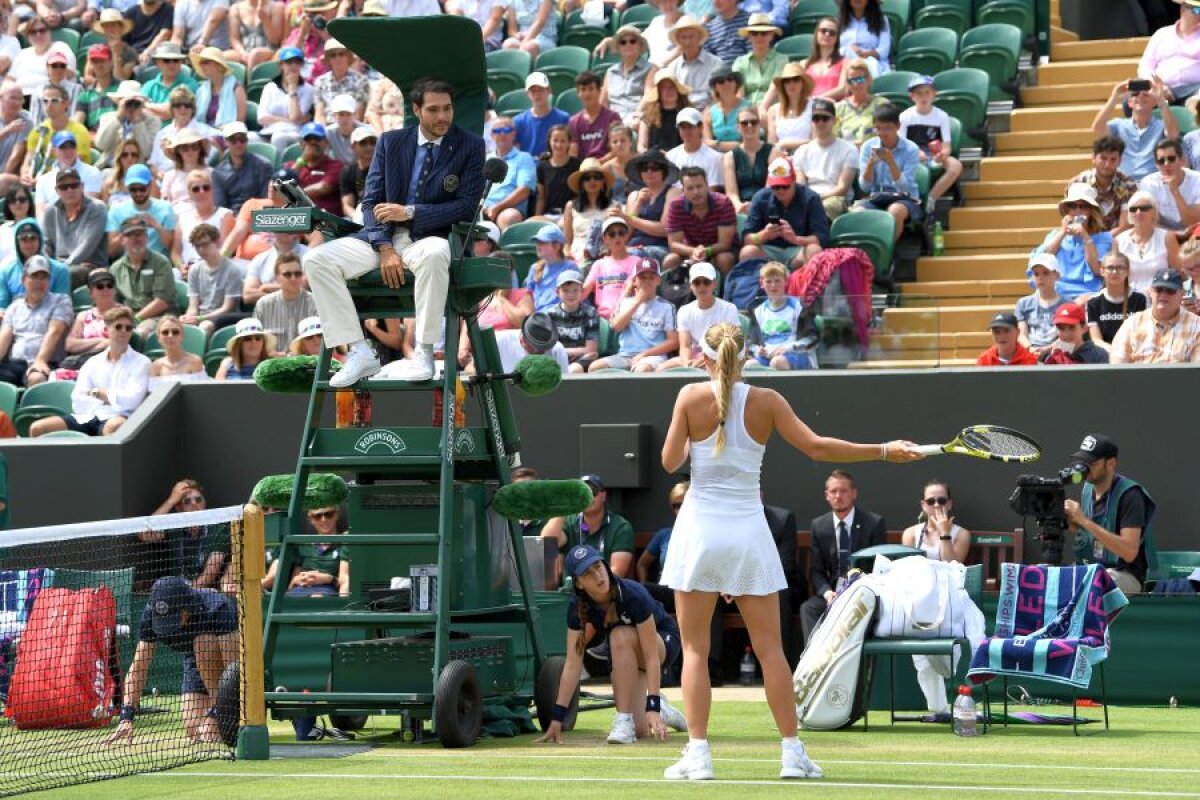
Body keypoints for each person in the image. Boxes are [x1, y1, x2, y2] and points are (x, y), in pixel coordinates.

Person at [659, 324, 919, 781]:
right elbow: (817, 447)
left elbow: (669, 462)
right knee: (771, 651)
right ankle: (792, 753)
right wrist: (884, 450)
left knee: (696, 649)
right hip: (746, 534)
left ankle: (698, 755)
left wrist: (695, 433)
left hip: (699, 534)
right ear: (745, 358)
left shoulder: (688, 396)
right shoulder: (768, 401)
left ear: (705, 358)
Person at [303, 77, 485, 386]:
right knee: (315, 260)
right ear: (416, 110)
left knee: (436, 253)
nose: (442, 116)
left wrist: (411, 212)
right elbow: (371, 202)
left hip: (429, 238)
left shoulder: (471, 145)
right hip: (381, 240)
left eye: (447, 108)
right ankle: (359, 351)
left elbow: (467, 207)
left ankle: (424, 351)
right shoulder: (390, 141)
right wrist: (385, 247)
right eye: (434, 110)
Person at [534, 544, 687, 746]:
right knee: (640, 730)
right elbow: (572, 664)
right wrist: (557, 719)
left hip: (662, 644)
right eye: (587, 574)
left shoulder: (632, 594)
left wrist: (653, 706)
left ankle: (626, 718)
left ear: (605, 566)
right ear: (579, 584)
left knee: (619, 634)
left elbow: (651, 657)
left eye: (598, 566)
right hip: (627, 654)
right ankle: (663, 712)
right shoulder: (577, 607)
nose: (598, 576)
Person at [106, 576, 238, 744]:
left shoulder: (218, 608)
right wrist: (126, 717)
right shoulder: (151, 615)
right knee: (194, 729)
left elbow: (234, 672)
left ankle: (224, 711)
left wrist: (217, 713)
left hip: (229, 661)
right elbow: (139, 667)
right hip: (194, 660)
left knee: (203, 642)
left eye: (173, 616)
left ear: (186, 607)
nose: (167, 625)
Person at [898, 478, 972, 718]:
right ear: (923, 505)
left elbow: (953, 567)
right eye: (931, 501)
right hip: (920, 602)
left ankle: (939, 657)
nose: (937, 505)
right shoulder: (910, 534)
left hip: (949, 600)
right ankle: (939, 709)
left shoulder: (962, 534)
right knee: (922, 653)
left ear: (949, 503)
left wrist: (944, 535)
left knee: (945, 664)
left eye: (941, 500)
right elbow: (908, 570)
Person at [29, 305, 150, 436]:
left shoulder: (142, 362)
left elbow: (132, 401)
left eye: (128, 328)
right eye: (118, 327)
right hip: (87, 416)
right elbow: (77, 399)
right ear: (106, 330)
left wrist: (96, 393)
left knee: (115, 426)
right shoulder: (93, 362)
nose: (124, 331)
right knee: (38, 428)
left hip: (118, 417)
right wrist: (109, 398)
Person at [800, 468, 888, 643]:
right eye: (833, 491)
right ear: (827, 495)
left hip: (863, 591)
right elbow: (816, 571)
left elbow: (880, 566)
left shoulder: (873, 523)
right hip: (833, 592)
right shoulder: (819, 525)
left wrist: (858, 590)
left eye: (843, 491)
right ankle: (814, 656)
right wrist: (827, 593)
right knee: (808, 608)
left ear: (854, 493)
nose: (838, 496)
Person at [1063, 434, 1156, 596]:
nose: (1085, 467)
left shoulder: (1131, 495)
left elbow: (1129, 552)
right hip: (1092, 568)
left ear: (1111, 463)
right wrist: (1071, 521)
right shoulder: (1088, 490)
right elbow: (1088, 532)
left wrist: (1083, 521)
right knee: (1061, 581)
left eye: (1091, 462)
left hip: (1125, 574)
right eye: (1082, 461)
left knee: (1092, 584)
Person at [589, 257, 679, 372]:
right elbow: (616, 326)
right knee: (595, 367)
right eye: (642, 277)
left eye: (651, 277)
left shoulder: (667, 307)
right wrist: (638, 301)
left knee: (642, 369)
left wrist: (645, 354)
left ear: (658, 280)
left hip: (653, 356)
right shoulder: (626, 302)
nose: (647, 281)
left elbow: (673, 342)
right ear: (634, 280)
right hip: (625, 355)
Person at [541, 474, 636, 581]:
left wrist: (588, 585)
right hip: (571, 588)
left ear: (604, 496)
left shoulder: (620, 527)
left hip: (604, 587)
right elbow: (546, 542)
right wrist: (563, 508)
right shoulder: (570, 522)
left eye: (593, 491)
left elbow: (617, 572)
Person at [739, 157, 829, 269]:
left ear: (794, 180)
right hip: (768, 252)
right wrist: (764, 235)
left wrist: (796, 239)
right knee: (747, 252)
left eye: (785, 186)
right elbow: (747, 239)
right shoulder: (760, 198)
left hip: (798, 250)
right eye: (776, 187)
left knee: (814, 250)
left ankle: (806, 280)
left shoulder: (810, 198)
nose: (781, 190)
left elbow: (822, 238)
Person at [853, 102, 921, 243]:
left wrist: (891, 162)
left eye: (887, 128)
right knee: (858, 213)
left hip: (905, 199)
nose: (882, 133)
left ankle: (886, 252)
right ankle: (868, 252)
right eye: (878, 128)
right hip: (877, 197)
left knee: (895, 211)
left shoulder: (911, 149)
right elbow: (864, 187)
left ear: (898, 126)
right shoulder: (868, 146)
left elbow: (905, 187)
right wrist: (870, 164)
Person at [0, 255, 72, 386]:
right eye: (34, 276)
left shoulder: (61, 301)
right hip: (15, 364)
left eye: (44, 277)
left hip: (47, 362)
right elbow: (4, 338)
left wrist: (40, 360)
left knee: (36, 378)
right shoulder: (14, 307)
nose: (39, 282)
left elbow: (55, 332)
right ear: (23, 280)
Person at [1032, 182, 1111, 299]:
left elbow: (1097, 269)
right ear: (1067, 210)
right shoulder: (1055, 235)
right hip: (1056, 292)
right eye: (1073, 206)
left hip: (1086, 294)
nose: (1078, 210)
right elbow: (1043, 261)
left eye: (1083, 206)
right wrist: (1063, 232)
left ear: (1091, 210)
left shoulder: (1103, 238)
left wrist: (1085, 236)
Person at [656, 260, 739, 369]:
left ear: (714, 284)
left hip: (722, 358)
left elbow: (733, 344)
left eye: (706, 282)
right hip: (695, 358)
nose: (701, 286)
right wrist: (688, 364)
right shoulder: (684, 311)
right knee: (661, 369)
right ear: (691, 286)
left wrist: (711, 359)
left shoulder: (729, 309)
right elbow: (685, 346)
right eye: (697, 282)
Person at [899, 75, 963, 217]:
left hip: (934, 154)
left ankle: (932, 198)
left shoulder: (942, 116)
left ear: (934, 94)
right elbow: (901, 144)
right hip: (912, 155)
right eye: (919, 93)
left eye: (927, 92)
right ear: (912, 96)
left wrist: (942, 154)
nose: (923, 97)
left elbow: (946, 145)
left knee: (955, 165)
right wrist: (915, 152)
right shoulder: (905, 117)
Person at [1091, 78, 1177, 181]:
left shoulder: (1162, 124)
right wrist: (1114, 97)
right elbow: (1097, 129)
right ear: (1129, 102)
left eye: (1146, 94)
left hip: (1152, 182)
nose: (1140, 96)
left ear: (1154, 102)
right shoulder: (1119, 125)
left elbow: (1173, 135)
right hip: (1123, 182)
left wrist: (1161, 100)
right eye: (1135, 94)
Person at [1110, 266, 1200, 362]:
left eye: (1170, 291)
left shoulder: (1196, 325)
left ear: (1182, 294)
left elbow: (1197, 367)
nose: (1163, 295)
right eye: (1159, 289)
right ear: (1150, 292)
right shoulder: (1133, 324)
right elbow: (1117, 364)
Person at [40, 166, 110, 284]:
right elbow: (46, 244)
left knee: (68, 274)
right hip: (59, 265)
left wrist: (61, 268)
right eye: (64, 187)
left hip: (89, 265)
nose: (69, 190)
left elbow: (87, 245)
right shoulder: (50, 211)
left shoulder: (97, 208)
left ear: (82, 186)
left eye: (74, 186)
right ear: (57, 190)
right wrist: (45, 264)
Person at [791, 98, 857, 221]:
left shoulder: (849, 149)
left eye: (825, 118)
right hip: (809, 198)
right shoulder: (801, 151)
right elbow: (801, 185)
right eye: (816, 118)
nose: (820, 122)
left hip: (836, 199)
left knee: (824, 207)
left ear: (834, 121)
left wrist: (816, 198)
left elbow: (842, 188)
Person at [262, 506, 350, 596]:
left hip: (327, 590)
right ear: (311, 519)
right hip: (302, 589)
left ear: (336, 515)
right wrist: (296, 580)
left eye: (328, 514)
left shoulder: (344, 543)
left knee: (317, 597)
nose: (323, 519)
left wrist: (328, 579)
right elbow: (292, 584)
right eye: (317, 516)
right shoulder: (304, 545)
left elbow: (345, 582)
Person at [663, 166, 737, 274]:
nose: (696, 192)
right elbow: (673, 243)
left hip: (720, 250)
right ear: (683, 190)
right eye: (690, 188)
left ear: (707, 186)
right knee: (670, 260)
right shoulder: (676, 205)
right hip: (690, 249)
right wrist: (692, 251)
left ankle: (727, 286)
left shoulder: (723, 203)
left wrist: (705, 251)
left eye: (699, 186)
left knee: (724, 259)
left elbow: (724, 244)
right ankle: (672, 286)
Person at [748, 260, 819, 370]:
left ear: (786, 281)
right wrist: (758, 350)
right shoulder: (757, 311)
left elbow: (813, 339)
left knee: (777, 362)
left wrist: (788, 348)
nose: (773, 285)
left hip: (797, 354)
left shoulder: (799, 307)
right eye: (768, 281)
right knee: (749, 366)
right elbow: (750, 343)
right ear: (762, 283)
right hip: (768, 356)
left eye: (777, 281)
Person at [620, 148, 680, 266]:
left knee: (629, 256)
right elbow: (625, 234)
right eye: (644, 168)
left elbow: (664, 229)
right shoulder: (634, 196)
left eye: (654, 168)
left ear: (663, 171)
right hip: (633, 246)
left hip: (659, 247)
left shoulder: (673, 192)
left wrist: (631, 219)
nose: (649, 172)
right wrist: (637, 204)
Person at [105, 163, 176, 260]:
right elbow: (112, 251)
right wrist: (129, 230)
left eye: (142, 189)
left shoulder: (166, 208)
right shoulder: (116, 210)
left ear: (150, 185)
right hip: (128, 262)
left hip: (158, 263)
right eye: (133, 189)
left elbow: (170, 246)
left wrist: (155, 225)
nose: (138, 193)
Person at [1136, 0, 1200, 106]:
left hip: (1195, 89)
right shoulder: (1162, 34)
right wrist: (1156, 85)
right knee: (1132, 98)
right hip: (1160, 89)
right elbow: (1145, 65)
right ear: (1183, 10)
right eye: (1198, 10)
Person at [1069, 136, 1138, 233]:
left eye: (1113, 159)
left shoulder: (1128, 186)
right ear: (1093, 158)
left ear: (1120, 161)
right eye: (1103, 158)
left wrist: (1103, 239)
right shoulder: (1079, 183)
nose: (1107, 164)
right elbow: (1074, 220)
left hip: (1117, 238)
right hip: (1084, 235)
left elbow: (1125, 226)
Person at [182, 223, 242, 333]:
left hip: (223, 319)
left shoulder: (232, 270)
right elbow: (193, 305)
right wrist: (189, 317)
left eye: (205, 244)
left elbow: (227, 307)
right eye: (197, 246)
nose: (201, 250)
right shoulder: (194, 270)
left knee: (205, 326)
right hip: (201, 316)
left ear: (217, 242)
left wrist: (200, 318)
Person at [1115, 189, 1179, 291]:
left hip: (1161, 294)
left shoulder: (1167, 237)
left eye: (1144, 208)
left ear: (1154, 212)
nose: (1138, 212)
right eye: (1133, 209)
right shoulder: (1119, 240)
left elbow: (1179, 273)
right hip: (1129, 296)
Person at [255, 46, 314, 155]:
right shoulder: (270, 87)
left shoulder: (308, 89)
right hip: (268, 131)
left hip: (294, 132)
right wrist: (288, 119)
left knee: (279, 138)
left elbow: (295, 117)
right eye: (289, 62)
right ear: (281, 65)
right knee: (248, 137)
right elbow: (261, 118)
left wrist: (292, 89)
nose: (293, 66)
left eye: (297, 62)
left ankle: (279, 166)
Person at [0, 220, 71, 311]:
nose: (29, 243)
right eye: (24, 239)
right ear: (17, 242)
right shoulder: (5, 272)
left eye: (33, 238)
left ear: (40, 240)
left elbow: (62, 306)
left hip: (50, 317)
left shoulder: (60, 270)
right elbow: (2, 305)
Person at [173, 168, 235, 267]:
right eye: (196, 189)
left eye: (206, 187)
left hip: (215, 269)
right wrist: (180, 266)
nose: (201, 192)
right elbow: (175, 253)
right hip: (186, 270)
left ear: (212, 190)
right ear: (189, 193)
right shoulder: (182, 218)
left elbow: (225, 250)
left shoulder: (225, 216)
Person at [723, 107, 779, 214]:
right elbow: (731, 193)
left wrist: (756, 206)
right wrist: (739, 206)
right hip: (741, 208)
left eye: (754, 122)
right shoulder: (730, 157)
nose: (749, 126)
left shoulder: (773, 152)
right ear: (738, 127)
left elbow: (770, 187)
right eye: (744, 123)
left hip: (767, 205)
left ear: (759, 125)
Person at [1087, 251, 1147, 350]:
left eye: (1120, 268)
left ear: (1128, 272)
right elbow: (1096, 339)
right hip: (1105, 352)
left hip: (1134, 350)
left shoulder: (1140, 299)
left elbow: (1143, 333)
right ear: (1102, 271)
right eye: (1110, 268)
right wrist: (1114, 351)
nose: (1115, 272)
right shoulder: (1093, 302)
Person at [1137, 137, 1200, 231]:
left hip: (1193, 233)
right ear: (1157, 165)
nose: (1166, 164)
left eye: (1171, 159)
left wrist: (1175, 191)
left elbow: (1193, 223)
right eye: (1161, 161)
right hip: (1162, 234)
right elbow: (1148, 221)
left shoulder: (1197, 180)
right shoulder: (1149, 183)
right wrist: (1174, 235)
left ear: (1181, 160)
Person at [484, 116, 537, 228]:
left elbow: (524, 191)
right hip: (483, 207)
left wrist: (497, 207)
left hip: (509, 208)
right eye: (497, 130)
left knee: (510, 217)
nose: (502, 134)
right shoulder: (485, 159)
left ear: (514, 133)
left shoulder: (524, 158)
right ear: (491, 134)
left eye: (507, 130)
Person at [1016, 252, 1071, 359]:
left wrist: (1047, 349)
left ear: (1057, 275)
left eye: (1046, 273)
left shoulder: (1068, 304)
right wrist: (1030, 348)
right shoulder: (1023, 303)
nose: (1040, 277)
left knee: (1070, 347)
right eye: (1036, 274)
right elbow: (1021, 334)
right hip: (1031, 352)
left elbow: (1069, 337)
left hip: (1059, 351)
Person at [212, 121, 273, 216]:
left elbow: (266, 201)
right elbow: (221, 206)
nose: (238, 144)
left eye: (242, 139)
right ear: (226, 142)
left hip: (257, 216)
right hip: (231, 218)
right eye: (233, 140)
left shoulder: (263, 165)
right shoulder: (218, 172)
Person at [254, 252, 315, 344]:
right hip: (273, 353)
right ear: (277, 277)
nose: (293, 278)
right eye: (287, 274)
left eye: (297, 274)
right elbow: (256, 339)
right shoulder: (263, 305)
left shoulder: (314, 303)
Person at [545, 269, 599, 373]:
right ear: (557, 292)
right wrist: (561, 353)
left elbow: (591, 350)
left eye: (575, 290)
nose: (571, 294)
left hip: (581, 360)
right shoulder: (550, 314)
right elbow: (548, 347)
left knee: (575, 368)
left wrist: (560, 351)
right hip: (556, 358)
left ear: (582, 291)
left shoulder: (590, 313)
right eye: (565, 290)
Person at [94, 83, 157, 171]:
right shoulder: (107, 118)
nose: (131, 106)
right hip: (109, 166)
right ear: (119, 101)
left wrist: (138, 121)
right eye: (127, 102)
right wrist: (118, 118)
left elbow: (146, 152)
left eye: (135, 103)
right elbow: (101, 145)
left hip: (137, 168)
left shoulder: (152, 121)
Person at [562, 156, 614, 264]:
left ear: (603, 182)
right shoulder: (570, 206)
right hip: (576, 257)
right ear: (581, 183)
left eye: (597, 177)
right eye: (587, 178)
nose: (592, 181)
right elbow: (567, 242)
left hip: (604, 257)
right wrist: (567, 253)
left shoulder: (614, 206)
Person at [287, 122, 344, 218]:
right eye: (308, 139)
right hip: (297, 218)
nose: (313, 142)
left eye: (317, 138)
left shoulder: (336, 165)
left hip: (326, 219)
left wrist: (291, 194)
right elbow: (280, 188)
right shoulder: (291, 166)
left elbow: (323, 188)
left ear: (326, 143)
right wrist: (301, 162)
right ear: (301, 144)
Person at [733, 13, 786, 112]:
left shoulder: (782, 60)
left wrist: (763, 108)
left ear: (771, 35)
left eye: (764, 33)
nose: (759, 37)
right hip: (746, 110)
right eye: (754, 33)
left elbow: (775, 86)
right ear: (749, 36)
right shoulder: (740, 62)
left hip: (773, 109)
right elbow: (739, 92)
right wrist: (743, 111)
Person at [600, 25, 652, 126]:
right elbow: (603, 101)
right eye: (623, 42)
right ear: (618, 48)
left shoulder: (651, 69)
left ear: (640, 45)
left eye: (633, 41)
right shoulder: (610, 71)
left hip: (635, 117)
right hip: (612, 119)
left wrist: (636, 116)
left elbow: (648, 97)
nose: (628, 45)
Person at [670, 15, 723, 110]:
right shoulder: (673, 67)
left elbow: (721, 96)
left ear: (699, 38)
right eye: (683, 38)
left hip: (709, 112)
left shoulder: (716, 63)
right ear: (678, 41)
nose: (687, 42)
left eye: (691, 37)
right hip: (682, 113)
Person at [311, 38, 368, 125]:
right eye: (333, 55)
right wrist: (322, 131)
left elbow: (358, 115)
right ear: (328, 60)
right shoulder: (320, 82)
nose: (337, 58)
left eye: (341, 54)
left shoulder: (361, 81)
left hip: (351, 127)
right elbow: (319, 114)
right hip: (327, 127)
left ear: (348, 57)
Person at [513, 72, 569, 159]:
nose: (537, 94)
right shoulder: (518, 121)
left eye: (541, 90)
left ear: (549, 90)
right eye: (533, 91)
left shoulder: (563, 118)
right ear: (527, 94)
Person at [667, 107, 725, 190]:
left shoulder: (715, 158)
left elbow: (712, 191)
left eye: (690, 126)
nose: (686, 132)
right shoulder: (670, 156)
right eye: (683, 127)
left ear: (700, 127)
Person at [568, 71, 620, 161]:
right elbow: (573, 154)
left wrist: (598, 163)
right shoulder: (573, 122)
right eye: (583, 89)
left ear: (599, 91)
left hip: (607, 165)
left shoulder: (613, 118)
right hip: (583, 167)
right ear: (578, 93)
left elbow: (616, 149)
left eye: (591, 89)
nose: (587, 93)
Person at [493, 310, 568, 372]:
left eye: (542, 349)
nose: (539, 352)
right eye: (535, 347)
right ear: (523, 339)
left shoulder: (557, 350)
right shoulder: (499, 341)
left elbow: (564, 382)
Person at [141, 43, 199, 121]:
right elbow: (139, 111)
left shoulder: (190, 84)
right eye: (166, 60)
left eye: (176, 60)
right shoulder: (149, 85)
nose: (171, 64)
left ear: (181, 63)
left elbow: (171, 111)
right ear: (157, 63)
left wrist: (145, 104)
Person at [524, 224, 577, 311]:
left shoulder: (570, 267)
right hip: (537, 316)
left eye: (542, 243)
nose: (538, 246)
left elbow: (574, 298)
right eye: (537, 243)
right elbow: (528, 296)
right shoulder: (534, 268)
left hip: (560, 315)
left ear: (557, 246)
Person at [834, 58, 884, 146]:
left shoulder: (882, 105)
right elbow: (833, 139)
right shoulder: (838, 108)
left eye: (859, 79)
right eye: (851, 81)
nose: (855, 84)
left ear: (869, 80)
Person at [223, 0, 286, 70]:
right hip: (244, 50)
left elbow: (275, 41)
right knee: (224, 57)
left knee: (254, 55)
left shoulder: (276, 7)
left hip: (268, 51)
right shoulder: (236, 9)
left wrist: (265, 19)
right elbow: (234, 39)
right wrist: (242, 53)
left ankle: (250, 77)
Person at [766, 63, 814, 154]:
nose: (791, 84)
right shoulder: (773, 110)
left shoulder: (814, 106)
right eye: (787, 81)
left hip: (809, 156)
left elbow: (817, 142)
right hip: (781, 158)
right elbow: (771, 146)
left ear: (803, 83)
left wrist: (786, 144)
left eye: (796, 80)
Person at [1039, 303, 1110, 365]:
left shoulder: (1098, 355)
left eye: (1072, 327)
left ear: (1084, 328)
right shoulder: (1053, 355)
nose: (1066, 334)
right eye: (1061, 328)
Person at [149, 314, 208, 387]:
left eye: (175, 332)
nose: (170, 335)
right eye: (165, 332)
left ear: (182, 336)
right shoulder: (156, 366)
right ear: (159, 338)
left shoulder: (194, 361)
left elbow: (200, 390)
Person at [703, 67, 749, 154]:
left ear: (736, 83)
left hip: (744, 154)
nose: (726, 83)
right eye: (721, 81)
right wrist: (733, 145)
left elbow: (749, 142)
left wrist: (717, 144)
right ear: (715, 87)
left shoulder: (748, 108)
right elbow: (707, 143)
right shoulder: (708, 113)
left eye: (730, 79)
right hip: (717, 155)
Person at [838, 0, 890, 76]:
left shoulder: (881, 20)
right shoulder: (840, 20)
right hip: (844, 65)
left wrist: (864, 54)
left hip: (872, 65)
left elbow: (883, 51)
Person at [215, 315, 274, 381]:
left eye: (258, 338)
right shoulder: (227, 364)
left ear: (263, 343)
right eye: (248, 339)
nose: (254, 342)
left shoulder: (272, 365)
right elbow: (217, 386)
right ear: (239, 344)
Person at [0, 84, 33, 192]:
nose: (17, 103)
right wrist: (7, 130)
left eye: (20, 99)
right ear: (1, 98)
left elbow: (16, 155)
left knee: (3, 181)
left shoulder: (26, 121)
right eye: (13, 98)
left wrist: (3, 175)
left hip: (8, 176)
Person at [340, 127, 377, 222]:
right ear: (353, 146)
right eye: (363, 143)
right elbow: (347, 206)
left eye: (373, 142)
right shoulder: (348, 171)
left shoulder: (386, 168)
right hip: (359, 218)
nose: (369, 147)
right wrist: (358, 217)